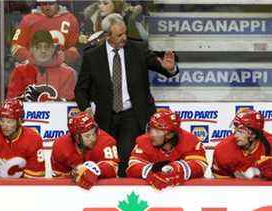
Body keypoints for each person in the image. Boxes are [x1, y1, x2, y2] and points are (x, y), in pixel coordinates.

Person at [75, 13, 178, 177]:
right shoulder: (92, 55)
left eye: (125, 33)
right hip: (104, 117)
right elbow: (80, 89)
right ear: (108, 35)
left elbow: (163, 69)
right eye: (119, 35)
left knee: (126, 158)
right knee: (105, 161)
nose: (124, 38)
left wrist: (169, 68)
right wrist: (86, 108)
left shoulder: (138, 49)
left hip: (132, 115)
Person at [126, 109, 207, 190]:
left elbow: (200, 166)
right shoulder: (143, 141)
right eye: (150, 129)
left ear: (170, 135)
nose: (151, 134)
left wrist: (178, 168)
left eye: (157, 131)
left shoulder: (190, 141)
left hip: (187, 193)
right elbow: (133, 166)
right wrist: (149, 172)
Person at [51, 111, 119, 190]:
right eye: (87, 136)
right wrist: (75, 175)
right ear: (76, 137)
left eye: (94, 133)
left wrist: (94, 170)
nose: (93, 138)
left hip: (103, 188)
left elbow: (112, 168)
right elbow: (59, 178)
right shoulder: (60, 146)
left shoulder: (106, 141)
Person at [7, 30, 76, 102]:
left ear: (53, 49)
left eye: (47, 47)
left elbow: (69, 105)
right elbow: (12, 102)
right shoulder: (20, 71)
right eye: (38, 47)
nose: (43, 50)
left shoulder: (68, 73)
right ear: (31, 49)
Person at [0, 98, 45, 179]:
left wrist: (12, 172)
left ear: (20, 121)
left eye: (10, 121)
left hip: (21, 189)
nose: (4, 125)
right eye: (2, 120)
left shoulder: (33, 139)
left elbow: (37, 176)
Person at [11, 0, 80, 65]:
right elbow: (16, 47)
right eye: (44, 4)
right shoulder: (28, 20)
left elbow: (74, 49)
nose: (47, 8)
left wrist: (59, 59)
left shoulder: (70, 19)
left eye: (51, 3)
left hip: (60, 71)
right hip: (33, 69)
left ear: (58, 2)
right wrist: (31, 59)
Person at [212, 109, 272, 180]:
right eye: (235, 130)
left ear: (253, 135)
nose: (235, 135)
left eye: (240, 132)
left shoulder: (269, 144)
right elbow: (220, 182)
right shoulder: (223, 150)